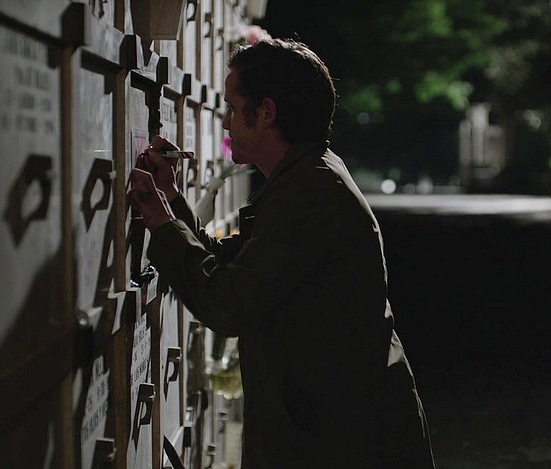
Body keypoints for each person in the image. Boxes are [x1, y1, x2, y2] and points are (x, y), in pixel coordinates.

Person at [127, 38, 436, 468]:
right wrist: (171, 201)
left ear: (266, 113)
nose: (226, 122)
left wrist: (162, 224)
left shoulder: (311, 194)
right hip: (330, 428)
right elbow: (232, 263)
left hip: (342, 442)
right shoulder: (304, 178)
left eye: (233, 108)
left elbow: (228, 303)